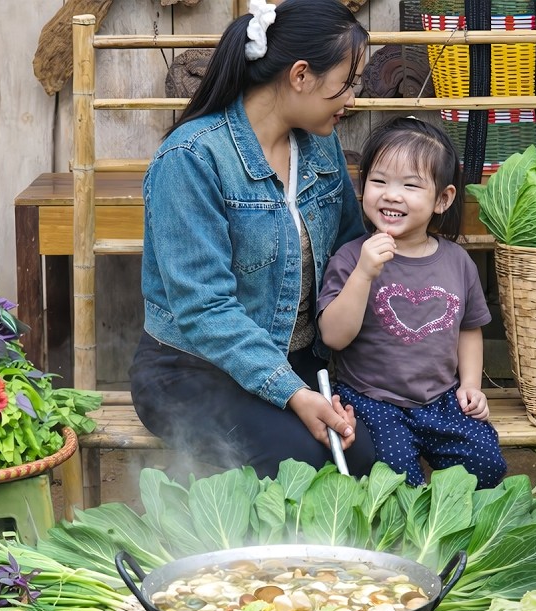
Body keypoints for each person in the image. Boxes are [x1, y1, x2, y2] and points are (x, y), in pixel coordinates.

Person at [129, 0, 377, 479]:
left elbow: (349, 248)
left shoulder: (318, 142)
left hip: (297, 362)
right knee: (303, 464)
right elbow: (204, 308)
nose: (352, 100)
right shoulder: (191, 157)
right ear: (301, 75)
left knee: (359, 455)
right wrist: (295, 393)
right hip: (190, 373)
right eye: (347, 83)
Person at [317, 117, 507, 489]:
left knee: (487, 463)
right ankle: (409, 538)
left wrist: (470, 385)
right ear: (363, 185)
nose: (391, 194)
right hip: (373, 402)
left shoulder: (456, 262)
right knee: (398, 480)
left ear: (442, 199)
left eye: (410, 185)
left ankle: (452, 529)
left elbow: (469, 328)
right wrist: (364, 274)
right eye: (379, 181)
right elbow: (333, 337)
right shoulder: (351, 258)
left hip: (441, 399)